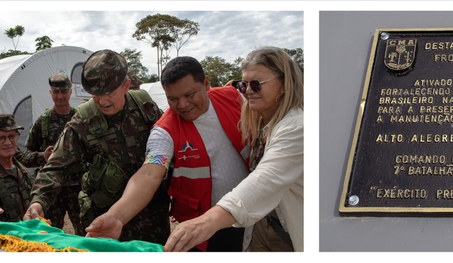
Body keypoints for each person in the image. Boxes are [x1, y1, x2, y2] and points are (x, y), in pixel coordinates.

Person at [86, 56, 250, 251]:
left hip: (254, 210)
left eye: (189, 95)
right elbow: (149, 173)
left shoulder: (233, 97)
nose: (182, 105)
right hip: (205, 228)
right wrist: (116, 216)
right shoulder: (165, 130)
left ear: (206, 84)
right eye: (172, 99)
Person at [23, 49, 170, 244]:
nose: (102, 101)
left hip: (153, 215)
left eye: (109, 93)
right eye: (95, 94)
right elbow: (55, 166)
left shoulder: (145, 105)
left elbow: (167, 145)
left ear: (126, 85)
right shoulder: (83, 120)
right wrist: (38, 200)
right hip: (106, 219)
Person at [166, 46, 303, 252]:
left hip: (289, 234)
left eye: (256, 85)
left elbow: (265, 179)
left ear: (284, 84)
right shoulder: (261, 123)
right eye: (243, 84)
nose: (248, 91)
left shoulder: (297, 128)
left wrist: (207, 221)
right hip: (264, 226)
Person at [24, 72, 83, 235]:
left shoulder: (79, 118)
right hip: (51, 190)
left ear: (70, 92)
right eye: (56, 92)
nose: (60, 96)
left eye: (64, 92)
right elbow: (24, 156)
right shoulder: (43, 121)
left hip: (77, 187)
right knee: (49, 234)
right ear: (50, 93)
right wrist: (42, 156)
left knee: (84, 232)